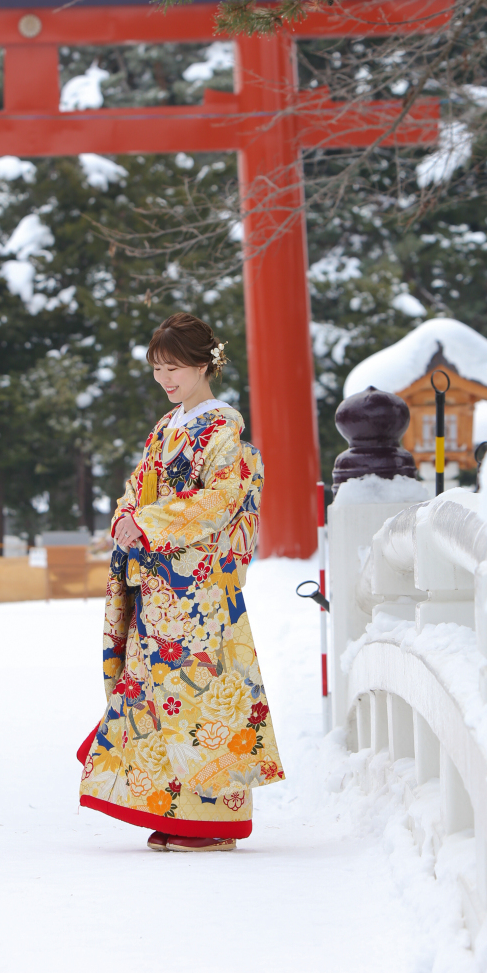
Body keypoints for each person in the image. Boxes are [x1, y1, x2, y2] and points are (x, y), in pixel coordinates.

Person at [77, 312, 285, 852]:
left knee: (204, 702)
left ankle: (215, 823)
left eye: (174, 368)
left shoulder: (222, 429)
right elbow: (135, 488)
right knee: (158, 700)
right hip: (158, 586)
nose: (165, 379)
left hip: (199, 589)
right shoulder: (166, 427)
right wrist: (127, 518)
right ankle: (179, 812)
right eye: (157, 369)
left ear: (203, 365)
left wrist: (147, 523)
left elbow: (220, 499)